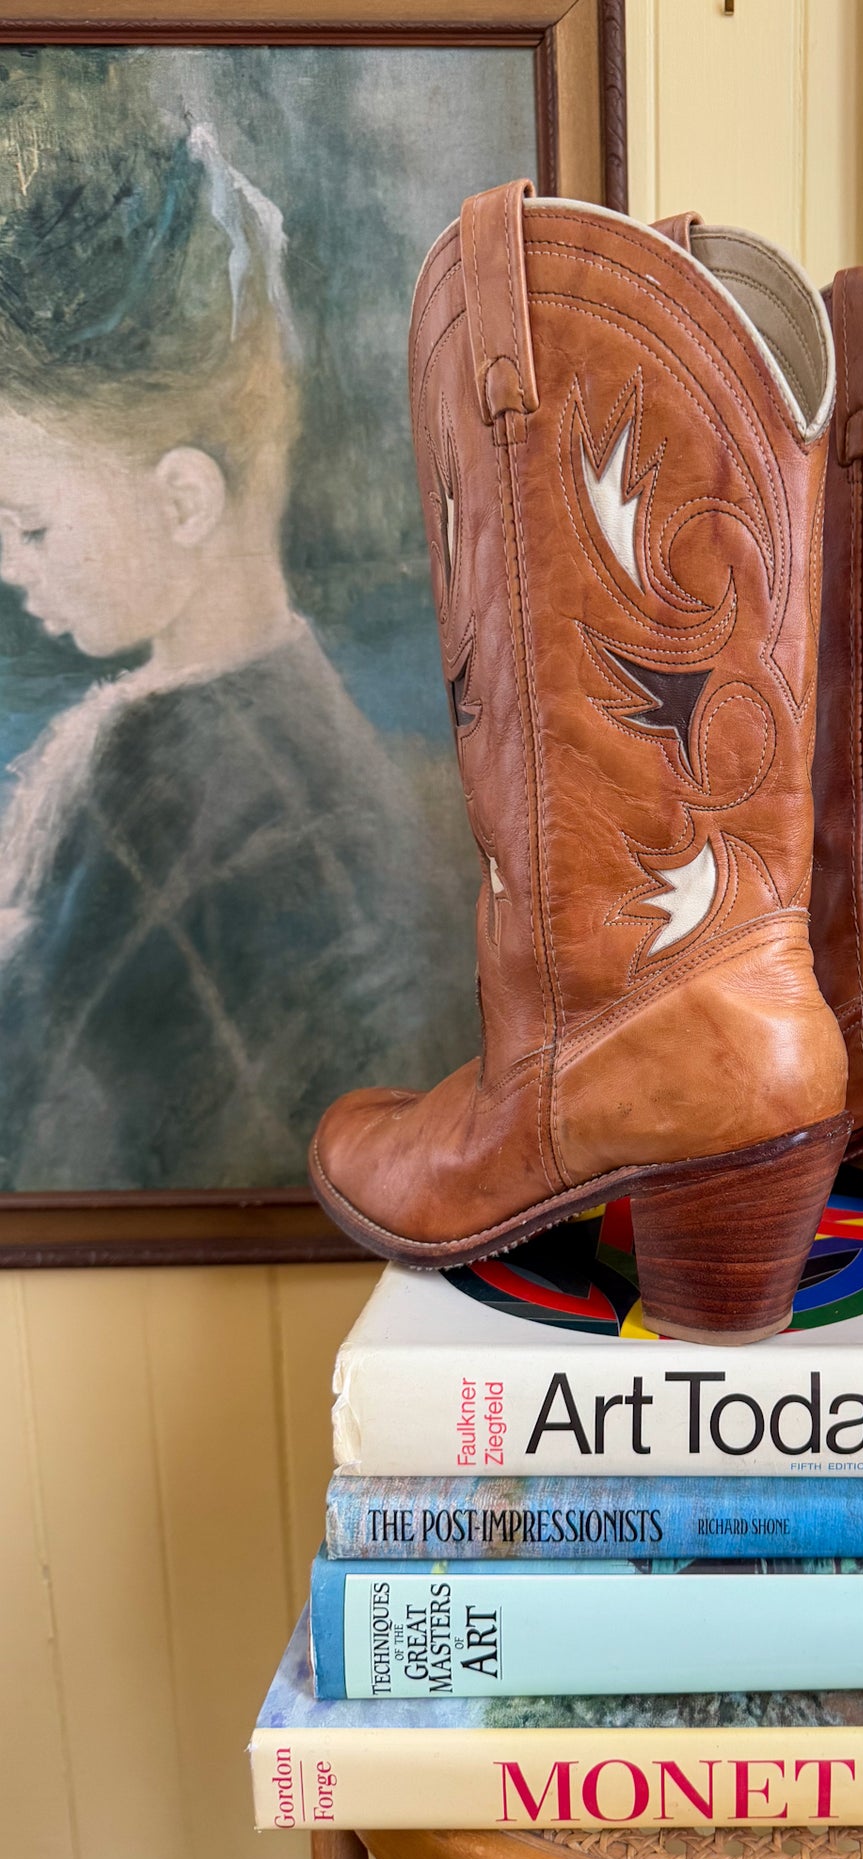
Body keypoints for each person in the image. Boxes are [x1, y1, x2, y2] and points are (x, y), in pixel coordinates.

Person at [0, 126, 454, 1191]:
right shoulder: (304, 735)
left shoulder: (145, 790)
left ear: (182, 500)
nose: (10, 570)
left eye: (28, 525)